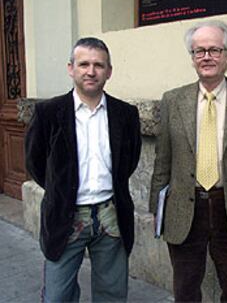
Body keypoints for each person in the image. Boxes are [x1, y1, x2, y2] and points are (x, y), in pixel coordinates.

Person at [149, 20, 227, 302]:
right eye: (198, 51)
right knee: (186, 288)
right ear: (192, 58)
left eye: (215, 49)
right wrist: (157, 206)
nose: (206, 57)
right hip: (184, 208)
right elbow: (162, 159)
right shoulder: (172, 101)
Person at [25, 37, 141, 302]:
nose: (91, 71)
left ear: (109, 71)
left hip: (110, 215)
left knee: (112, 293)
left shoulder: (126, 114)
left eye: (99, 65)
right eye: (84, 64)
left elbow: (129, 160)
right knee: (57, 296)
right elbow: (36, 162)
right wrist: (62, 189)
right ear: (71, 68)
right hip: (66, 216)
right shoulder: (47, 113)